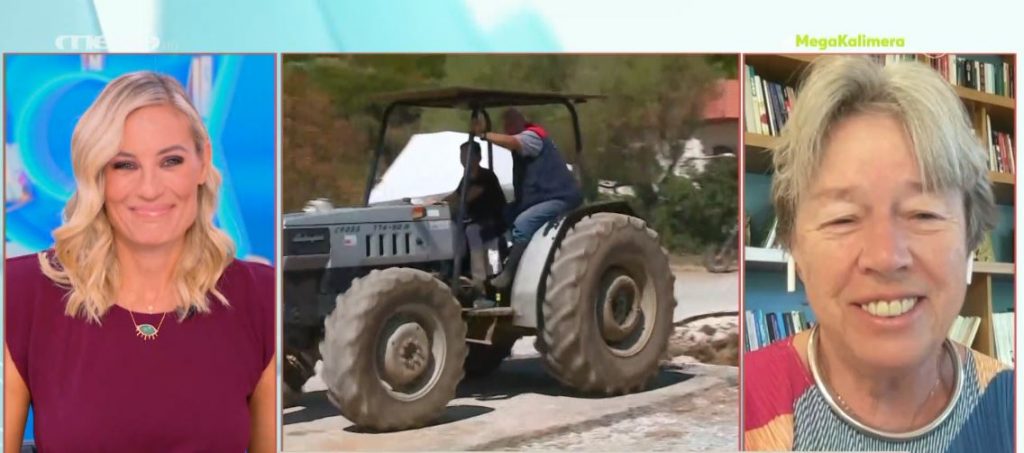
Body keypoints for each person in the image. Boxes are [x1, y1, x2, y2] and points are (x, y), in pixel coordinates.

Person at [743, 56, 1012, 452]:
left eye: (923, 213)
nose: (886, 257)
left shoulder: (1008, 405)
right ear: (794, 247)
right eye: (843, 219)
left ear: (971, 235)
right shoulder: (738, 406)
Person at [4, 71, 276, 452]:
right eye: (124, 165)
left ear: (203, 163)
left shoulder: (260, 297)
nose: (149, 189)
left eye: (171, 161)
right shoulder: (20, 295)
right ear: (96, 172)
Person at [472, 108, 583, 289]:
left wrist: (483, 135)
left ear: (521, 121)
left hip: (558, 197)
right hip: (537, 199)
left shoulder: (533, 136)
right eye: (506, 123)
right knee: (497, 217)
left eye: (511, 122)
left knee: (523, 222)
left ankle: (508, 274)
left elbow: (513, 142)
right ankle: (490, 268)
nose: (508, 126)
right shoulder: (520, 145)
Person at [442, 140, 507, 305]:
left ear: (478, 157)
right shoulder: (466, 178)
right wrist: (436, 203)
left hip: (492, 225)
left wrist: (453, 204)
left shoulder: (486, 177)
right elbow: (457, 195)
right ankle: (458, 276)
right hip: (476, 224)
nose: (464, 158)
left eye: (467, 154)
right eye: (462, 155)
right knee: (460, 231)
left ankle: (485, 287)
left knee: (488, 255)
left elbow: (467, 196)